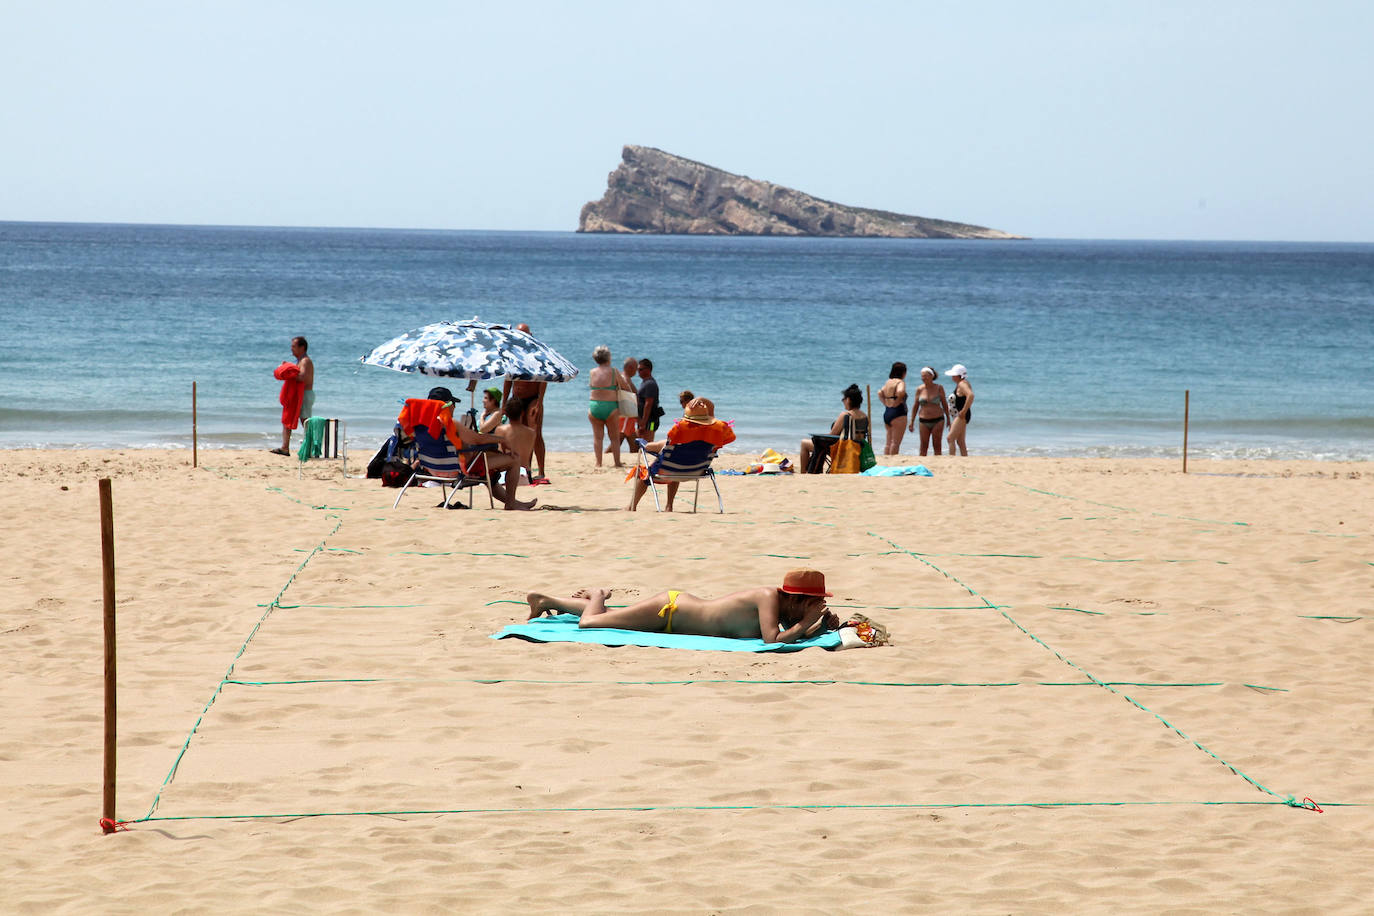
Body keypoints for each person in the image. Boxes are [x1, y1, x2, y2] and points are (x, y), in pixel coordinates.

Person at [525, 568, 840, 643]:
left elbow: (787, 633)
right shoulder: (767, 597)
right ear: (798, 598)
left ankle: (546, 601)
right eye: (813, 603)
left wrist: (821, 626)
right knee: (592, 623)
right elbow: (773, 641)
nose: (816, 607)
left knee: (613, 619)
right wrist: (806, 623)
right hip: (671, 609)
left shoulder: (781, 609)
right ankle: (596, 595)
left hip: (672, 616)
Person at [627, 397, 736, 511]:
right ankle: (669, 505)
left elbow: (648, 447)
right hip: (696, 471)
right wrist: (702, 399)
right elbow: (713, 413)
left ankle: (631, 506)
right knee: (675, 463)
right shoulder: (712, 438)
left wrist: (643, 443)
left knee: (646, 471)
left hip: (668, 471)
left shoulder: (677, 438)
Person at [502, 323, 548, 482]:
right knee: (515, 434)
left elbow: (543, 379)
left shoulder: (536, 353)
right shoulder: (512, 354)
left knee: (535, 433)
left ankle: (541, 471)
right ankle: (524, 469)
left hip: (533, 398)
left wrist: (539, 403)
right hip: (516, 398)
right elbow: (508, 380)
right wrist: (503, 405)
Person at [798, 384, 870, 474]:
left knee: (804, 443)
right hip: (857, 450)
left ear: (848, 400)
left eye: (843, 399)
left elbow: (832, 436)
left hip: (843, 450)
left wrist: (818, 436)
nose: (843, 401)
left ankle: (804, 472)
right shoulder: (864, 416)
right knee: (817, 443)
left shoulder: (846, 415)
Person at [270, 336, 313, 455]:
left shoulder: (305, 361)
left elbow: (302, 377)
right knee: (288, 419)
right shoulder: (299, 361)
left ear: (302, 347)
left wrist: (287, 373)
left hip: (304, 394)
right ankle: (285, 447)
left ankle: (312, 447)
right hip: (297, 395)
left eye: (294, 346)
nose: (291, 349)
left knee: (305, 421)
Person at [587, 345, 624, 468]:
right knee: (614, 437)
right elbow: (624, 386)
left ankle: (598, 463)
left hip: (594, 406)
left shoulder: (592, 372)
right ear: (609, 358)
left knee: (598, 438)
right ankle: (617, 463)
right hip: (610, 407)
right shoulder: (613, 371)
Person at [908, 366, 950, 457]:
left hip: (938, 420)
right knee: (923, 446)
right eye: (922, 376)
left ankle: (938, 464)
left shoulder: (939, 388)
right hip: (923, 420)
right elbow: (915, 406)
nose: (924, 378)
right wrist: (911, 421)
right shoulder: (919, 389)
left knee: (937, 444)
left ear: (932, 376)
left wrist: (948, 419)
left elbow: (944, 404)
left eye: (926, 376)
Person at [877, 362, 908, 456]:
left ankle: (886, 460)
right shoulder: (900, 382)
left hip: (887, 412)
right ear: (903, 372)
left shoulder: (888, 382)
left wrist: (885, 402)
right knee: (895, 442)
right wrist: (898, 401)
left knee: (888, 442)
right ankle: (892, 461)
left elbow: (879, 392)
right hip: (898, 412)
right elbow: (900, 391)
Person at [945, 364, 974, 456]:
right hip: (961, 414)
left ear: (959, 376)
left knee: (950, 438)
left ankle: (951, 458)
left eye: (954, 375)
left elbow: (971, 395)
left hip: (962, 415)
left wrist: (964, 411)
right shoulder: (962, 383)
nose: (952, 377)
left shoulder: (962, 384)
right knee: (960, 441)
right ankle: (964, 458)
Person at [636, 358, 662, 441]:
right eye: (638, 370)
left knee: (648, 440)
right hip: (646, 420)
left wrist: (643, 422)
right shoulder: (645, 382)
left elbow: (648, 404)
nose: (638, 372)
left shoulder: (650, 384)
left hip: (651, 420)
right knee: (643, 440)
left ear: (648, 370)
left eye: (640, 369)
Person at [619, 356, 640, 454]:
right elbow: (628, 399)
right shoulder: (625, 379)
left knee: (634, 445)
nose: (636, 371)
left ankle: (634, 463)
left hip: (628, 417)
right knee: (618, 440)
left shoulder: (624, 378)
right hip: (627, 416)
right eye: (636, 369)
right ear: (630, 367)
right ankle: (606, 456)